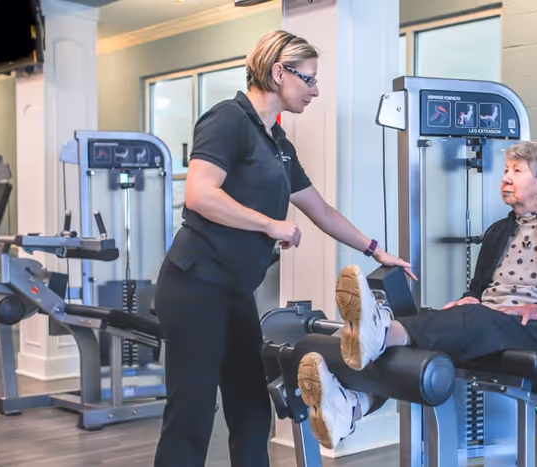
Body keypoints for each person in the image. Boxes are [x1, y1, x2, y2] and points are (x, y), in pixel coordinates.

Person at [152, 30, 414, 467]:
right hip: (194, 287)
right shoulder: (227, 120)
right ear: (278, 73)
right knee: (192, 414)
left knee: (253, 409)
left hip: (234, 291)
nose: (315, 90)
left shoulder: (277, 143)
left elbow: (321, 210)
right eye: (309, 79)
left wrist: (375, 249)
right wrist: (271, 224)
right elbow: (199, 194)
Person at [296, 141, 537, 449]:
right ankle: (355, 404)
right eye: (506, 169)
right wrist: (467, 299)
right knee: (426, 319)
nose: (505, 178)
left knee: (460, 321)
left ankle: (380, 333)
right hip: (492, 323)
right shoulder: (498, 231)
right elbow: (477, 289)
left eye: (516, 171)